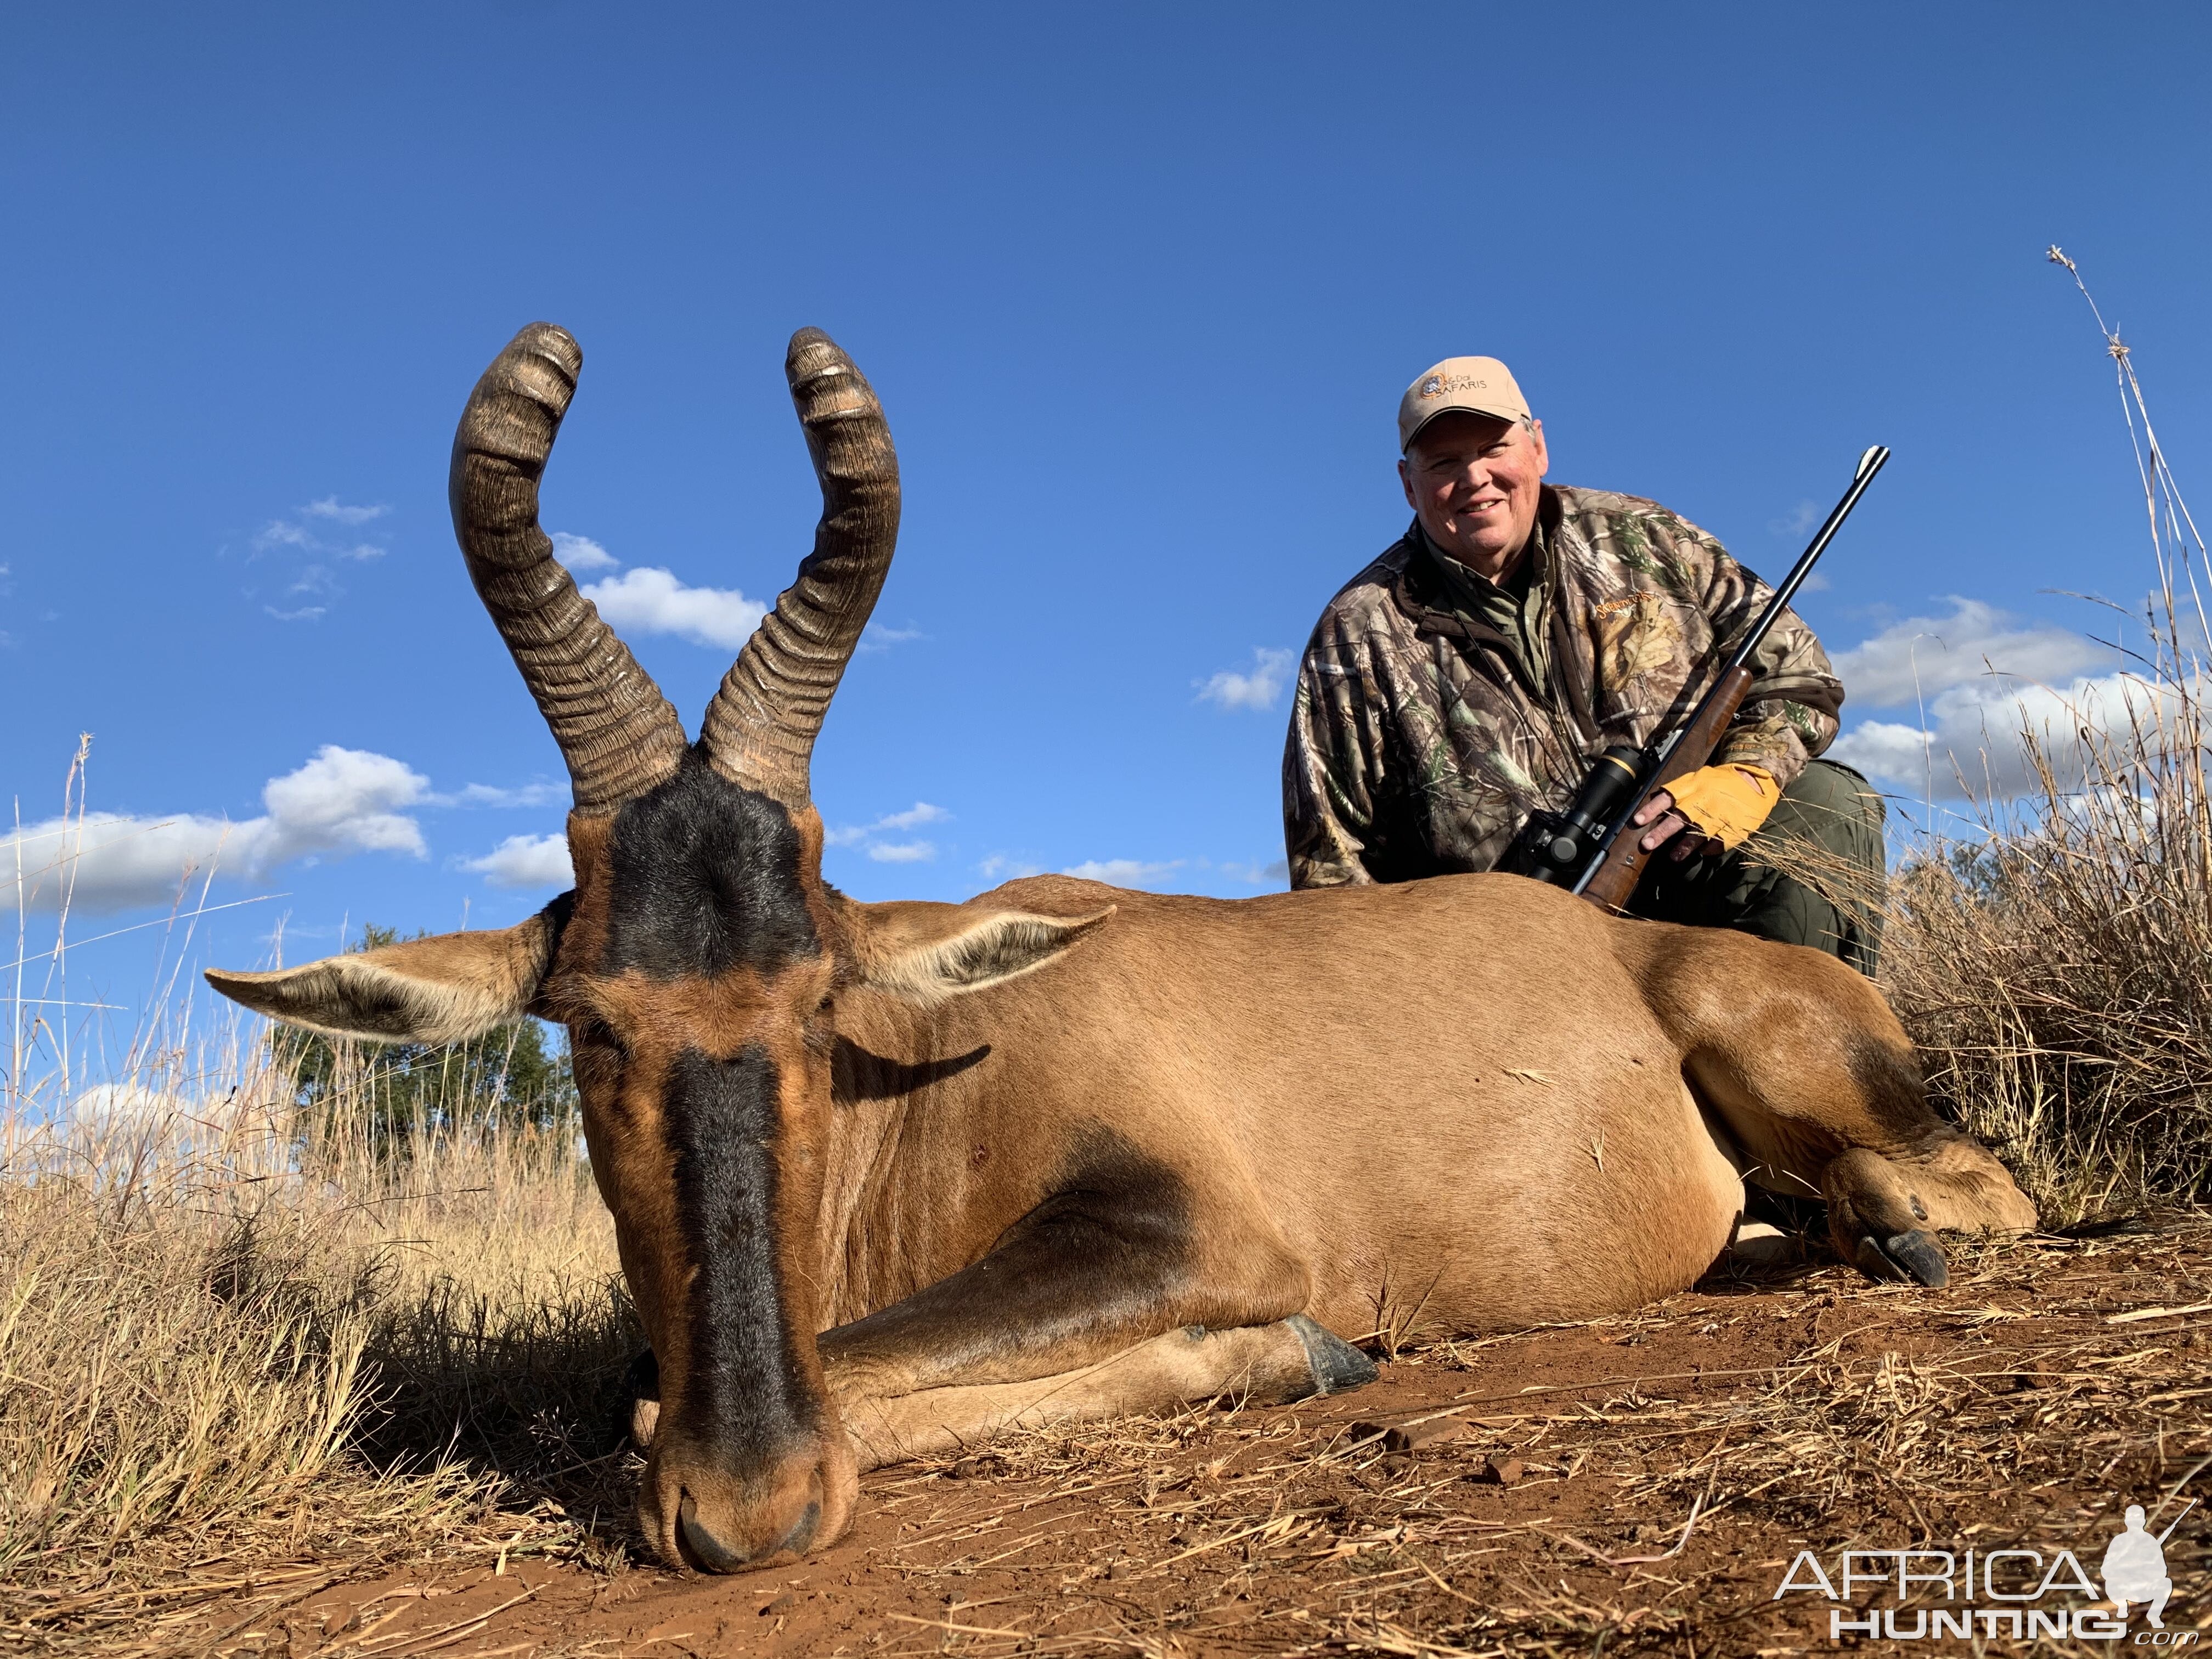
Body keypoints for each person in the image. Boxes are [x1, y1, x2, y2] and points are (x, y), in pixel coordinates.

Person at [1283, 355, 1886, 973]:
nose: (1476, 478)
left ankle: (1806, 1061)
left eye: (1495, 447)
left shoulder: (1644, 537)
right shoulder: (1356, 630)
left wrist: (1750, 773)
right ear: (1408, 484)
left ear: (1538, 446)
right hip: (1501, 959)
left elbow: (1799, 677)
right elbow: (1331, 868)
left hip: (1696, 867)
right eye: (1443, 463)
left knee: (1828, 801)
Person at [2101, 1505, 2173, 1628]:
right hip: (2122, 1587)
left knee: (2166, 1583)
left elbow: (2162, 1571)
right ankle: (2121, 1609)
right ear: (2126, 1521)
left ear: (2143, 1522)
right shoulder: (2119, 1541)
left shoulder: (2151, 1542)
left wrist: (2146, 1571)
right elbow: (2106, 1570)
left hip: (2144, 1586)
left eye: (2138, 1520)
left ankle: (2154, 1614)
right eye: (2131, 1519)